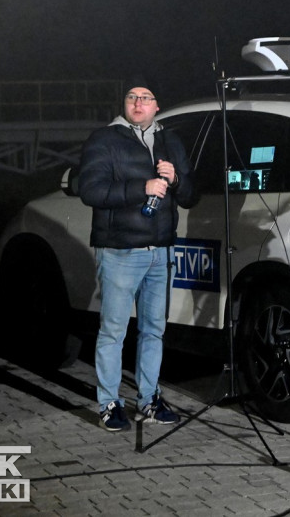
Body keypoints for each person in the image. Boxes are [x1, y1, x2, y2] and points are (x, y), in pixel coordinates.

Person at [77, 75, 196, 432]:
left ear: (157, 106)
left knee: (153, 331)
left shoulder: (170, 140)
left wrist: (175, 180)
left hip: (160, 251)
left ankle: (149, 399)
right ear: (124, 105)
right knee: (113, 330)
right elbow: (91, 190)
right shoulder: (104, 139)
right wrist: (140, 187)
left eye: (146, 97)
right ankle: (109, 403)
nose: (139, 103)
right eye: (132, 97)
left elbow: (191, 195)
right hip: (120, 251)